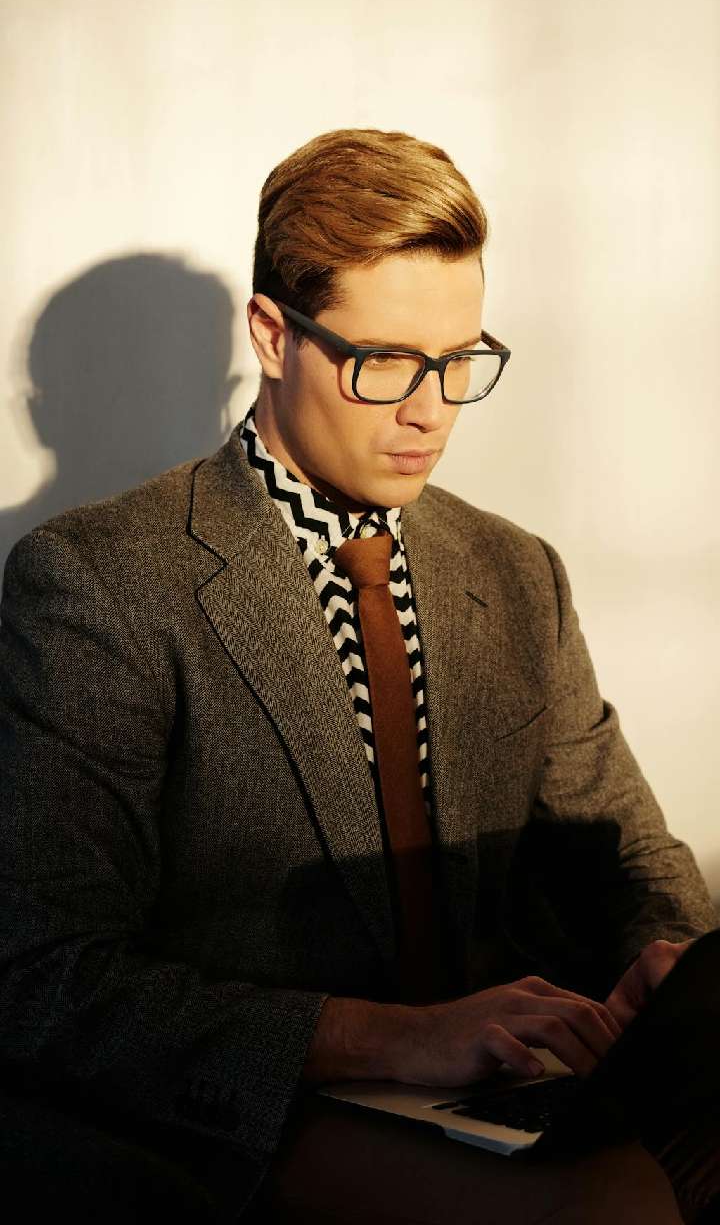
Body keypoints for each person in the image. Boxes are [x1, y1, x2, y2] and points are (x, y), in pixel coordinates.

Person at [0, 127, 718, 1224]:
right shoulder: (99, 580)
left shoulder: (515, 570)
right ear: (271, 336)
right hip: (247, 1120)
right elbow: (40, 971)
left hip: (508, 1095)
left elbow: (626, 853)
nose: (431, 408)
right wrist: (384, 1037)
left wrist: (675, 970)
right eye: (385, 360)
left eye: (461, 359)